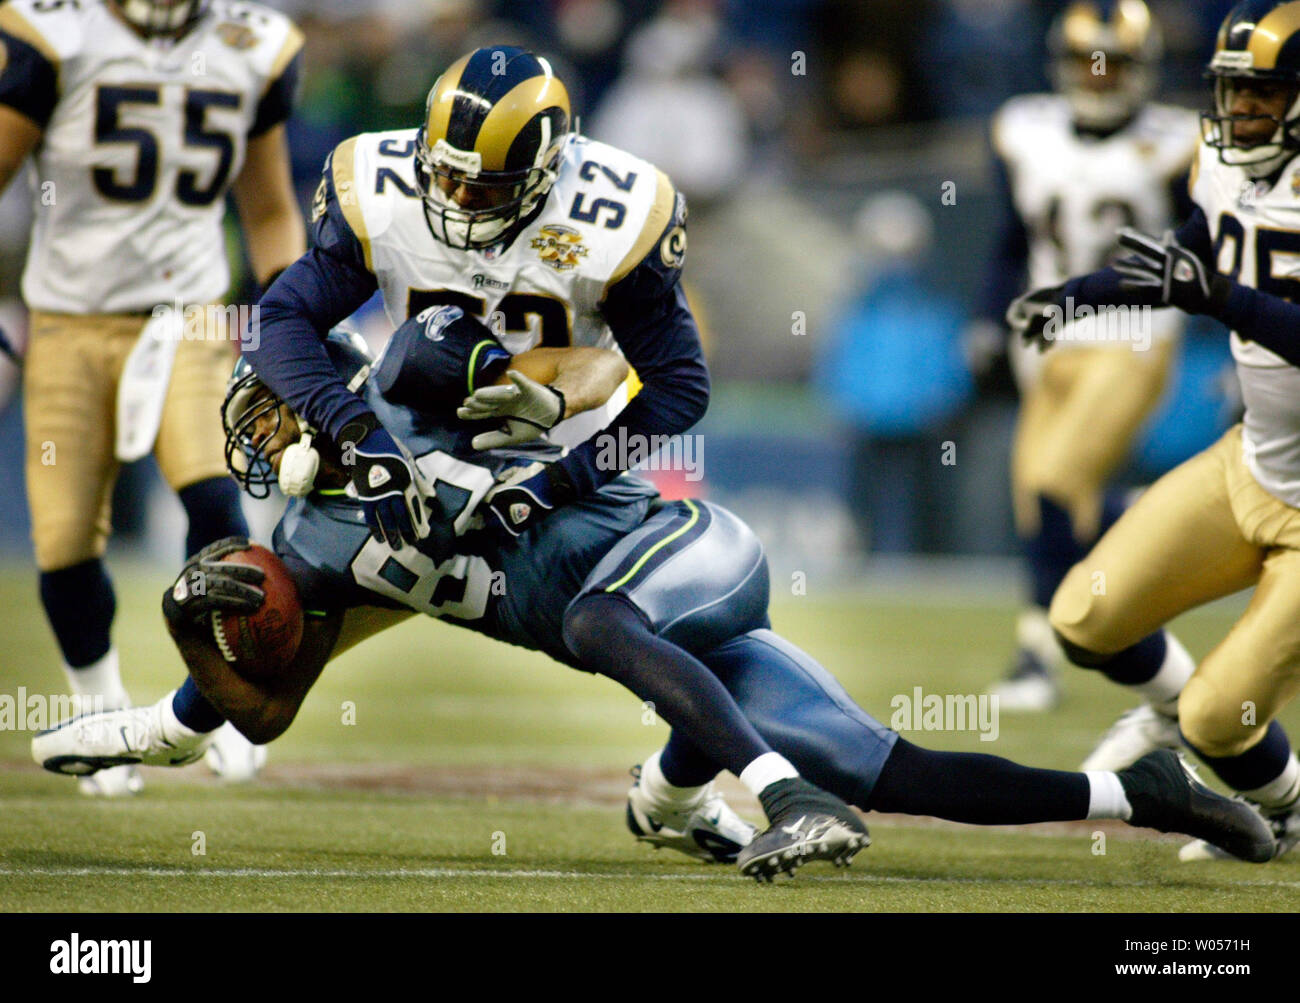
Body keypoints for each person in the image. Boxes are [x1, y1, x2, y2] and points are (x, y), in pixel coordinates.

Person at [32, 312, 1278, 878]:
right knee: (882, 767)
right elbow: (260, 705)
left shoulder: (410, 386)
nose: (261, 427)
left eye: (279, 403)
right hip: (649, 635)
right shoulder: (305, 548)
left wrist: (511, 385)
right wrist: (151, 720)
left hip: (680, 555)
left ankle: (748, 795)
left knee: (591, 622)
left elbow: (575, 363)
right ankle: (1134, 789)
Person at [1007, 0, 1300, 860]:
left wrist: (1220, 299)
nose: (1241, 111)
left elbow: (1214, 288)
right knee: (1084, 615)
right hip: (1252, 465)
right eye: (1233, 92)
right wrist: (1077, 295)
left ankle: (1283, 800)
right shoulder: (1228, 160)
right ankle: (1178, 718)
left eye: (1265, 94)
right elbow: (1188, 252)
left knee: (1223, 716)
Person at [0, 0, 308, 792]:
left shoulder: (250, 43)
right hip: (69, 319)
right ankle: (98, 706)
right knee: (66, 541)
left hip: (189, 317)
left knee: (214, 503)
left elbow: (270, 211)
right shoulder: (53, 31)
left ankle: (224, 696)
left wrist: (290, 327)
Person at [978, 0, 1199, 712]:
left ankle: (1042, 659)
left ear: (1142, 69)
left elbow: (1208, 250)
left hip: (1133, 336)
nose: (1098, 80)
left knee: (1056, 480)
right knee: (1037, 502)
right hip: (1044, 337)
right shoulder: (1024, 128)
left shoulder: (1176, 142)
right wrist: (986, 319)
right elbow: (1011, 239)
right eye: (1086, 65)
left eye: (1114, 67)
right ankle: (1041, 647)